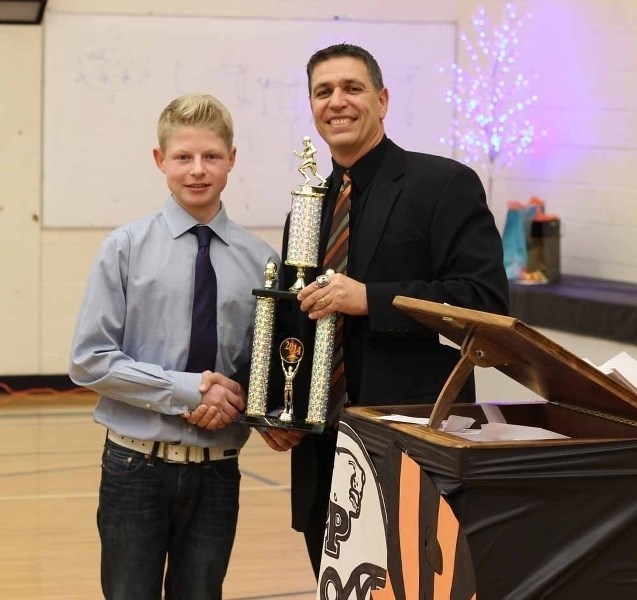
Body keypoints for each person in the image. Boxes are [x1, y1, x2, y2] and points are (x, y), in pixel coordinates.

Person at [259, 43, 509, 578]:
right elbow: (293, 324)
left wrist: (370, 299)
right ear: (311, 106)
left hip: (411, 445)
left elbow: (483, 300)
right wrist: (278, 410)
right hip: (322, 454)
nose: (337, 102)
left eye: (352, 88)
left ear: (382, 99)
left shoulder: (443, 184)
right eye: (323, 91)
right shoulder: (308, 207)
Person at [69, 93, 279, 599]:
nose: (197, 170)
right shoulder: (123, 248)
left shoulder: (263, 262)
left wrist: (240, 398)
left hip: (217, 473)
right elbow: (89, 360)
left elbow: (264, 365)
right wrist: (190, 392)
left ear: (232, 158)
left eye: (211, 156)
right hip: (134, 469)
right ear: (160, 161)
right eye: (183, 157)